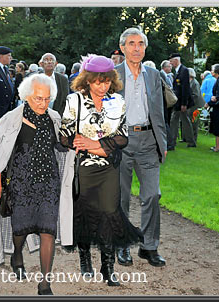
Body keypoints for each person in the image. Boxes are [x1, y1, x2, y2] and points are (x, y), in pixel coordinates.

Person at [0, 74, 71, 295]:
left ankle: (45, 283)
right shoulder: (11, 119)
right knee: (21, 228)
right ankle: (17, 254)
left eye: (47, 99)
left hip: (48, 182)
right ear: (26, 96)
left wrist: (72, 141)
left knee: (47, 230)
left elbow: (61, 147)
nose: (43, 103)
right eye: (38, 99)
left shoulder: (54, 118)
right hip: (21, 183)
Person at [60, 54, 143, 286]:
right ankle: (85, 259)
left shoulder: (118, 101)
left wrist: (96, 146)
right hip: (83, 169)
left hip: (109, 167)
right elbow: (64, 136)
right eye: (97, 81)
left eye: (106, 81)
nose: (102, 86)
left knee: (109, 212)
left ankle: (108, 268)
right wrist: (80, 142)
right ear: (87, 80)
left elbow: (123, 137)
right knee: (85, 214)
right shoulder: (73, 101)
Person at [115, 27, 167, 268]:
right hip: (120, 142)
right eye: (132, 44)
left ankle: (149, 246)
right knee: (121, 197)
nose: (137, 48)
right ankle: (122, 245)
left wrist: (162, 142)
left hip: (148, 142)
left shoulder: (154, 75)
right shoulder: (112, 75)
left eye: (141, 44)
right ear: (123, 47)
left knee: (152, 195)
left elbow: (159, 112)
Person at [168, 53, 195, 149]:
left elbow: (185, 88)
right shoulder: (178, 71)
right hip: (178, 101)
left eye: (171, 61)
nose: (170, 63)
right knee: (182, 121)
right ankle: (189, 141)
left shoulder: (184, 71)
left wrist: (184, 103)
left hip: (181, 102)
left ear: (176, 60)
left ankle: (172, 143)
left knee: (177, 121)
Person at [204, 64, 219, 152]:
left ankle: (217, 147)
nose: (211, 71)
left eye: (212, 70)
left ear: (216, 71)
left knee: (218, 126)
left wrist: (210, 102)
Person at [188, 68, 205, 144]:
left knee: (194, 122)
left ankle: (193, 140)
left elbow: (196, 95)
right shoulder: (190, 82)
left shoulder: (195, 83)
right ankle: (189, 138)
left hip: (196, 105)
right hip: (193, 105)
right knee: (191, 122)